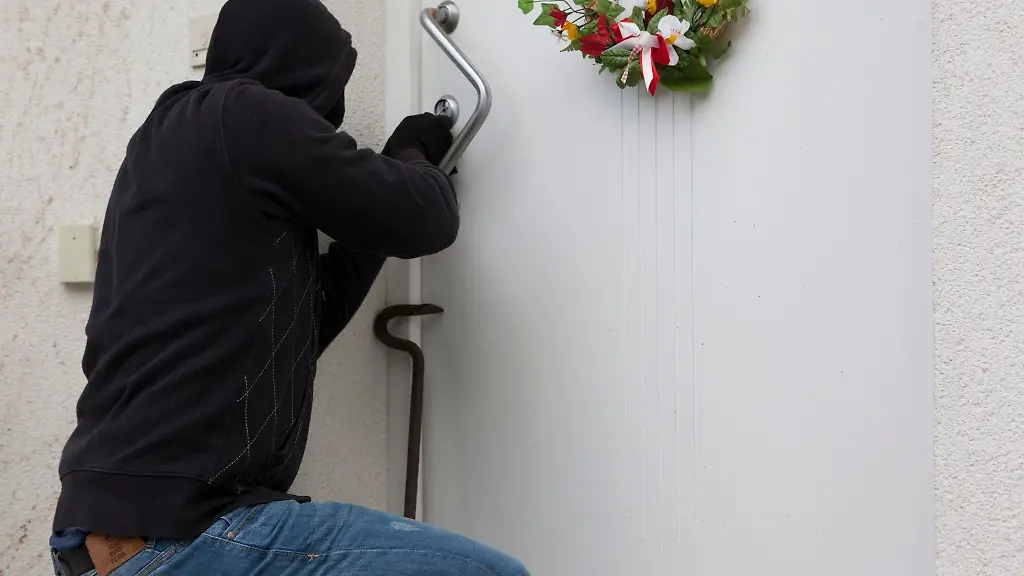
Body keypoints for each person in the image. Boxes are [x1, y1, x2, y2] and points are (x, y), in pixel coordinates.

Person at [48, 0, 528, 575]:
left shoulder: (177, 150)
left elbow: (306, 323)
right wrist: (413, 157)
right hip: (182, 531)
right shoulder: (242, 111)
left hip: (109, 539)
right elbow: (425, 219)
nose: (329, 118)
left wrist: (386, 184)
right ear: (302, 70)